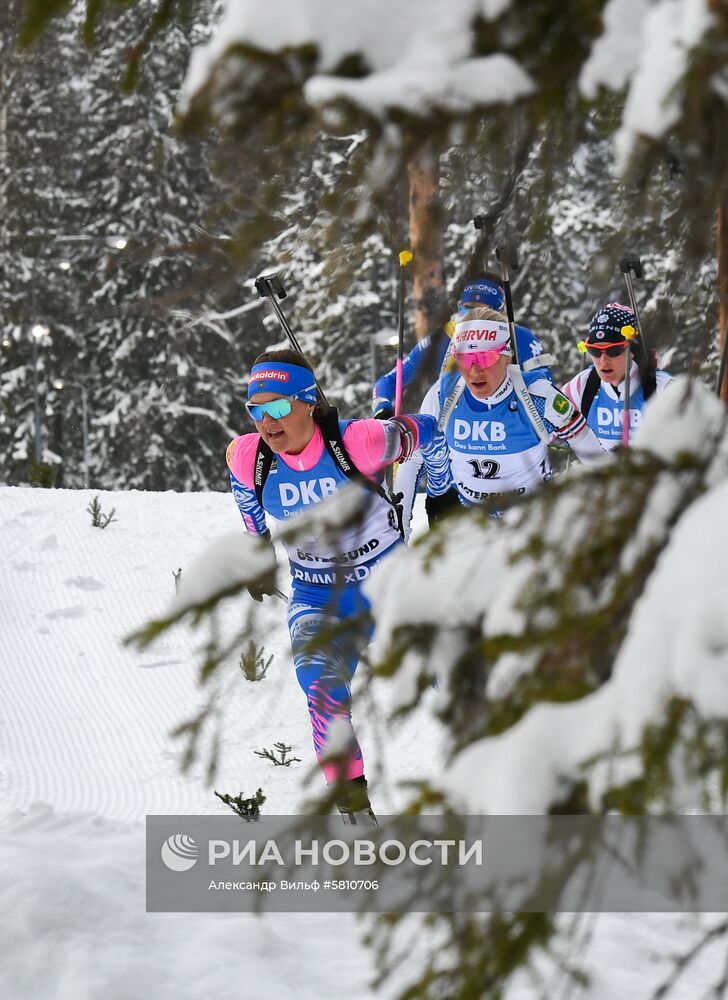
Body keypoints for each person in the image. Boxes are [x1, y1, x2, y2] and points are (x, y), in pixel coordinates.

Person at [225, 349, 449, 824]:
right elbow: (242, 485)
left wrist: (444, 498)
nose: (267, 421)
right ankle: (355, 817)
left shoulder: (362, 441)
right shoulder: (249, 457)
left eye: (279, 406)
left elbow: (428, 431)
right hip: (316, 595)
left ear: (309, 402)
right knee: (322, 690)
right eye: (256, 409)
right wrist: (257, 545)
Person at [396, 307, 606, 529]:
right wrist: (401, 529)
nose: (475, 371)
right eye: (465, 359)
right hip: (469, 524)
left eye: (485, 358)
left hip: (529, 523)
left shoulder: (538, 397)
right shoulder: (443, 395)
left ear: (507, 356)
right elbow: (412, 461)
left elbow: (597, 458)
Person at [371, 272, 554, 419]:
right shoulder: (444, 337)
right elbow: (389, 381)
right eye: (467, 307)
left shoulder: (518, 336)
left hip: (508, 429)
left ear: (499, 312)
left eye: (482, 310)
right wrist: (383, 407)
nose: (473, 317)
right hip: (453, 432)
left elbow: (545, 384)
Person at [562, 303, 673, 451]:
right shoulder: (582, 386)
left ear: (633, 351)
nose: (603, 361)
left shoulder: (663, 388)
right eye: (595, 351)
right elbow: (546, 428)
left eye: (614, 350)